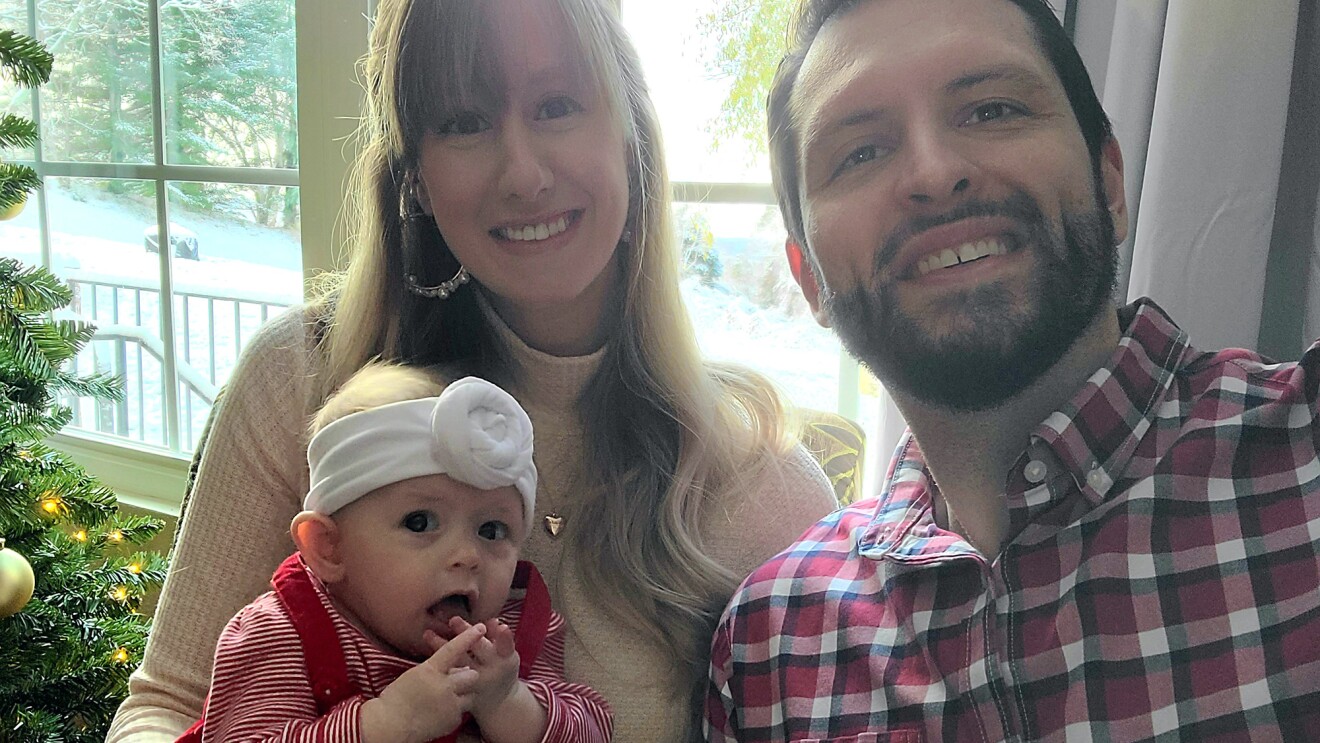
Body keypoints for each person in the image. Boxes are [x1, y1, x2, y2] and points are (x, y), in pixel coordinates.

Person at [108, 0, 838, 740]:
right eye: (462, 121)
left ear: (631, 137)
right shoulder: (300, 377)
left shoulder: (765, 484)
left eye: (557, 106)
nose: (522, 174)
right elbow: (164, 707)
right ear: (415, 175)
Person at [705, 0, 1320, 740]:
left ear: (1110, 182)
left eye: (992, 109)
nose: (933, 174)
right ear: (809, 283)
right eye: (860, 153)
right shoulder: (768, 645)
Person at [181, 366, 611, 741]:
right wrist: (385, 724)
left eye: (491, 530)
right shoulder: (281, 634)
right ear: (328, 547)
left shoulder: (507, 637)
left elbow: (597, 727)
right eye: (420, 522)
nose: (467, 555)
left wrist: (510, 702)